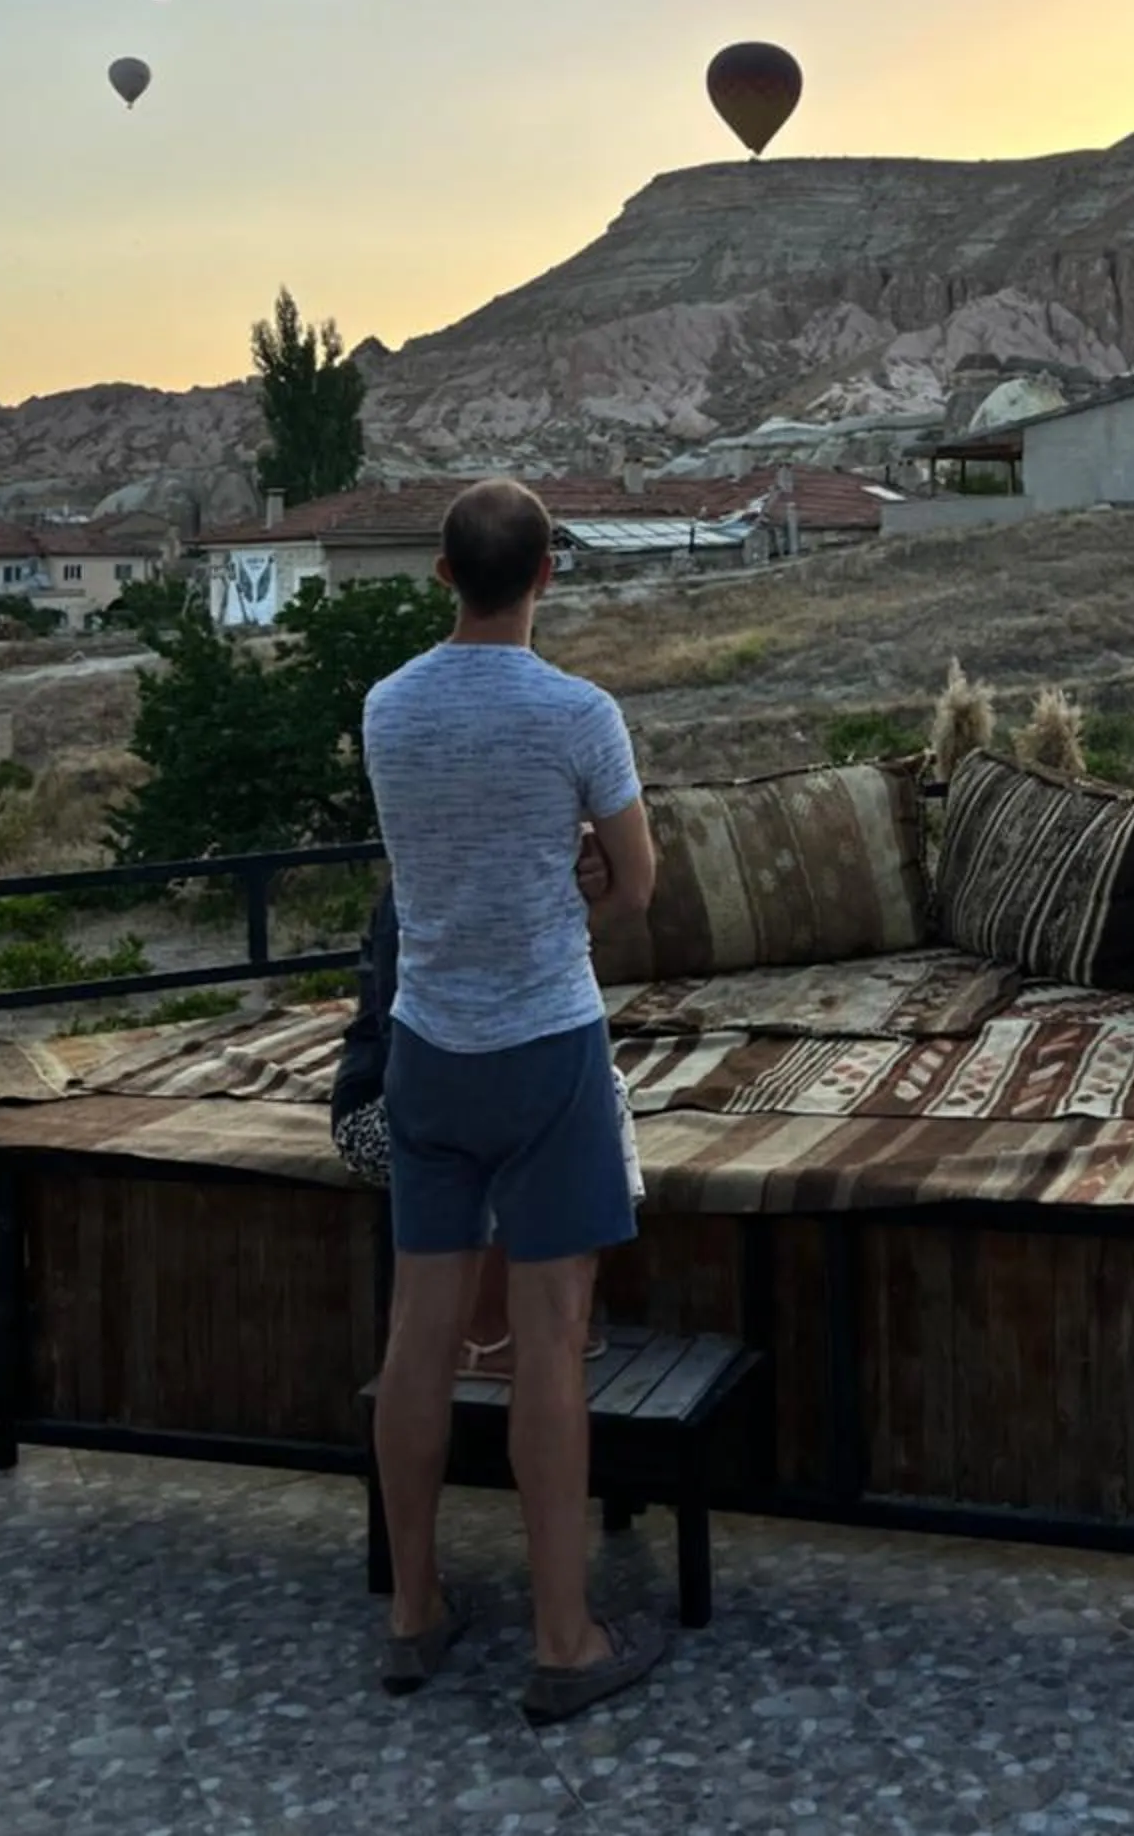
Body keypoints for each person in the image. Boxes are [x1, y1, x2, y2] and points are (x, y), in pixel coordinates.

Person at [363, 476, 667, 1722]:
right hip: (545, 1045)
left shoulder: (386, 709)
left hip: (425, 1046)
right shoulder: (579, 714)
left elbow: (429, 857)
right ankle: (563, 1638)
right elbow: (637, 884)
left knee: (418, 1337)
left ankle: (415, 1611)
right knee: (549, 1338)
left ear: (443, 573)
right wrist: (589, 859)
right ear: (549, 575)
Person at [331, 880, 645, 1375]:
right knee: (507, 1111)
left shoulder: (492, 891)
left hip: (458, 1086)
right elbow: (404, 1041)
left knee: (602, 1090)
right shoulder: (411, 902)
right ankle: (486, 1327)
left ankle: (562, 1307)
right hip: (385, 1108)